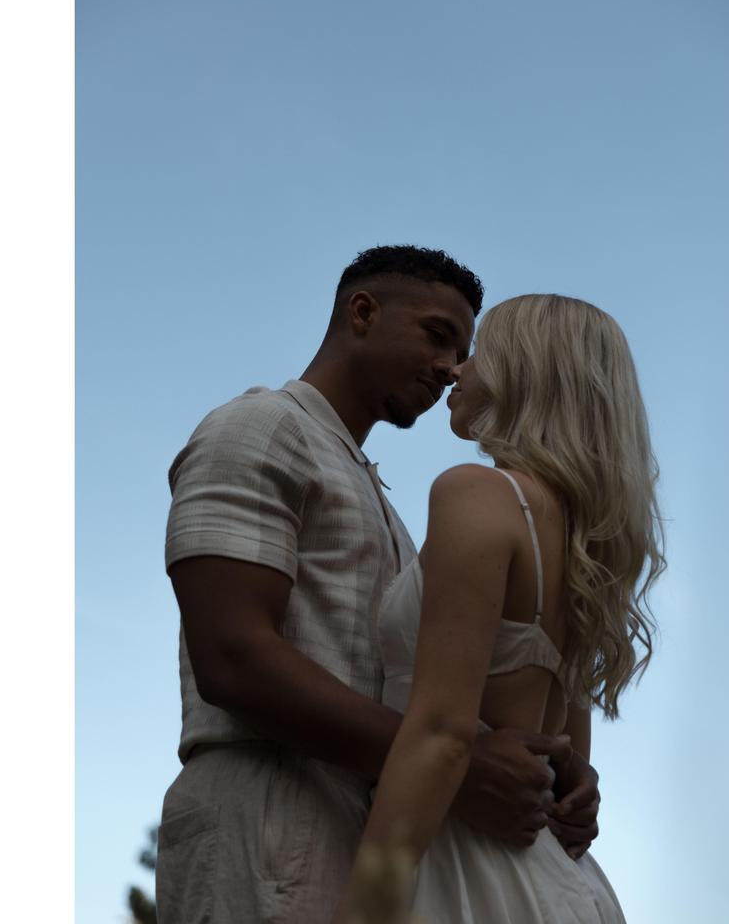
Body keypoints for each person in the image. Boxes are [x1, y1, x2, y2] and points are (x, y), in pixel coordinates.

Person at [155, 249, 604, 924]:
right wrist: (459, 763)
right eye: (436, 335)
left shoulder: (388, 504)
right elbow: (232, 657)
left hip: (377, 821)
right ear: (361, 312)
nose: (451, 366)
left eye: (465, 352)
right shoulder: (262, 427)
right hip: (270, 811)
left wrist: (551, 771)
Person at [334, 294, 666, 924]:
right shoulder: (585, 547)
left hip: (462, 871)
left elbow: (440, 735)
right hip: (557, 882)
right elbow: (565, 762)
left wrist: (367, 906)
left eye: (480, 352)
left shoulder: (478, 494)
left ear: (527, 370)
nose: (456, 369)